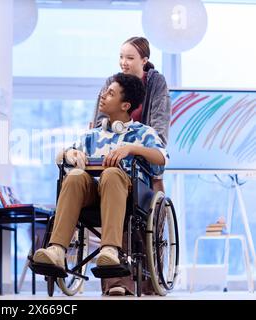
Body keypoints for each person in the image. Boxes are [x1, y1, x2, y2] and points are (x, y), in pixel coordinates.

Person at [32, 73, 169, 295]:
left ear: (125, 105)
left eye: (110, 93)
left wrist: (131, 149)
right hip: (92, 196)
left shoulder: (143, 133)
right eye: (105, 92)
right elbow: (61, 157)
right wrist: (71, 153)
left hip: (127, 197)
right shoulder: (91, 136)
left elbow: (162, 159)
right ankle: (57, 250)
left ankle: (110, 251)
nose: (103, 96)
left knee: (112, 174)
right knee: (75, 176)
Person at [92, 36, 171, 194]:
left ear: (144, 60)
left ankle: (158, 217)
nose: (123, 62)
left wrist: (140, 145)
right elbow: (99, 123)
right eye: (121, 57)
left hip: (142, 144)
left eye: (129, 58)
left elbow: (159, 131)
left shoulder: (156, 83)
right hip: (113, 145)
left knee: (156, 175)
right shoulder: (112, 82)